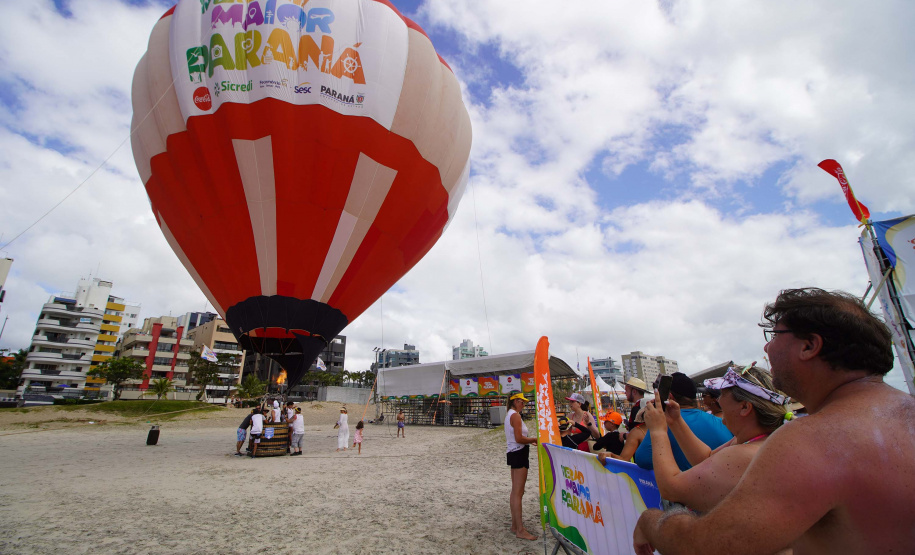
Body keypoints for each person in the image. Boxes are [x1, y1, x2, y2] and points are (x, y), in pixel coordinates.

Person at [633, 287, 915, 555]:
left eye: (775, 334)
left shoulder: (812, 439)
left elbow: (705, 546)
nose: (767, 348)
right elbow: (709, 458)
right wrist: (675, 423)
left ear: (809, 345)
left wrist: (649, 520)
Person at [642, 365, 788, 513]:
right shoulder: (753, 440)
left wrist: (658, 431)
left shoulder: (744, 453)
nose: (718, 399)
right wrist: (675, 421)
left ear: (745, 407)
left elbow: (671, 489)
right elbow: (707, 458)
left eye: (723, 393)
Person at [633, 372, 732, 471]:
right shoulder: (721, 422)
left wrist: (656, 430)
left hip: (684, 483)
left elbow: (643, 460)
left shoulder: (663, 424)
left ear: (670, 397)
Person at [504, 392, 538, 541]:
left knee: (515, 492)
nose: (524, 404)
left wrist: (530, 440)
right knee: (518, 492)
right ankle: (520, 529)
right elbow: (519, 438)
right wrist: (534, 439)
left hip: (514, 452)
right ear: (515, 402)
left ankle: (514, 525)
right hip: (518, 453)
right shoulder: (515, 416)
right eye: (522, 402)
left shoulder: (510, 414)